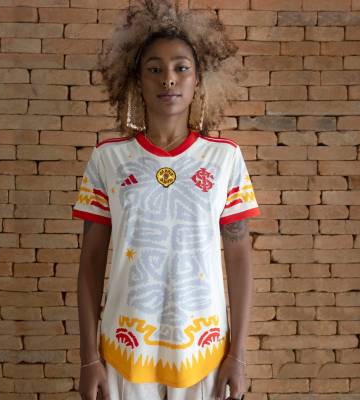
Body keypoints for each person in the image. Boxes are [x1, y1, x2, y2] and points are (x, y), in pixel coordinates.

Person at [72, 1, 260, 399]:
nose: (168, 79)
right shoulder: (108, 160)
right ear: (137, 80)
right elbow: (90, 263)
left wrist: (237, 356)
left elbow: (239, 258)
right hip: (124, 352)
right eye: (154, 69)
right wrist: (89, 358)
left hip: (205, 354)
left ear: (198, 79)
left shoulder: (225, 159)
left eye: (181, 68)